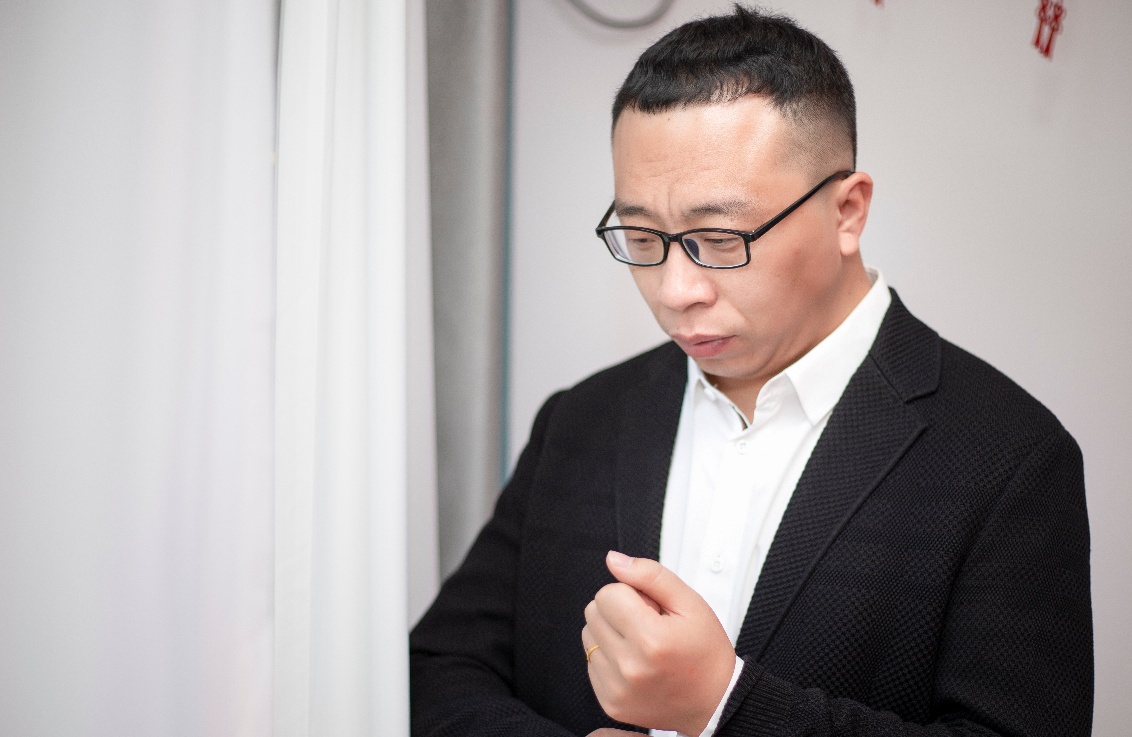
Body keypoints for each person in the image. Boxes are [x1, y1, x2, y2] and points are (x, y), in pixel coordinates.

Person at [410, 6, 1093, 737]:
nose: (676, 290)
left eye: (718, 238)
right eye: (641, 235)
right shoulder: (581, 419)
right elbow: (438, 668)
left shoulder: (1009, 458)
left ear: (847, 211)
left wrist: (724, 705)